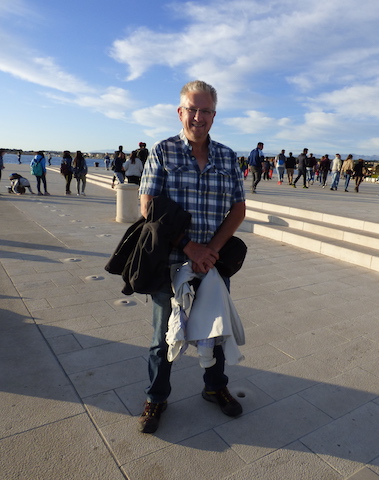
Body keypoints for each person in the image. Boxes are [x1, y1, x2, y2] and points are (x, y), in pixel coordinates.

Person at [137, 80, 246, 434]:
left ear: (214, 115)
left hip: (212, 263)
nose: (199, 117)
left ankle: (214, 387)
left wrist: (211, 250)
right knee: (162, 337)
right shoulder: (163, 151)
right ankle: (156, 397)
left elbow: (238, 208)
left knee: (215, 330)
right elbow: (148, 206)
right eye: (193, 109)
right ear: (180, 111)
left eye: (206, 111)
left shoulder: (227, 157)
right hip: (170, 262)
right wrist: (189, 247)